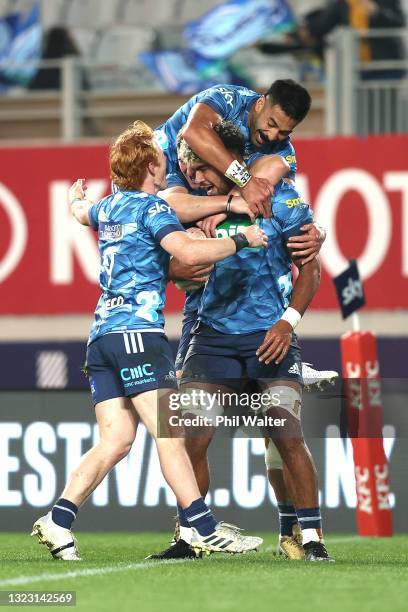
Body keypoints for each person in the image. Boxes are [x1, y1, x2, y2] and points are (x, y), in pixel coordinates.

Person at [31, 120, 267, 561]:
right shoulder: (150, 207)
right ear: (148, 165)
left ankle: (58, 520)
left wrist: (74, 199)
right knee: (170, 432)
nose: (166, 160)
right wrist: (243, 239)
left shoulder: (108, 206)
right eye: (159, 155)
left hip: (101, 337)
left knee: (117, 439)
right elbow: (190, 253)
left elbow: (82, 214)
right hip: (138, 334)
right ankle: (203, 527)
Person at [148, 123, 333, 563]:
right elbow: (168, 267)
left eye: (203, 168)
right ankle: (190, 534)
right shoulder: (190, 205)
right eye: (190, 169)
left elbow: (310, 268)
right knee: (190, 436)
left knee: (286, 434)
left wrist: (288, 323)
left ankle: (310, 537)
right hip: (210, 338)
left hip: (271, 338)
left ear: (230, 162)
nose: (194, 176)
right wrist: (179, 268)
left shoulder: (282, 199)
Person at [155, 79, 312, 219]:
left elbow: (288, 198)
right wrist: (246, 182)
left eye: (283, 133)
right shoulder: (228, 99)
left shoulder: (282, 149)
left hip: (205, 192)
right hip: (162, 164)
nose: (272, 136)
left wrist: (312, 227)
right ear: (260, 103)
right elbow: (194, 132)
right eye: (271, 124)